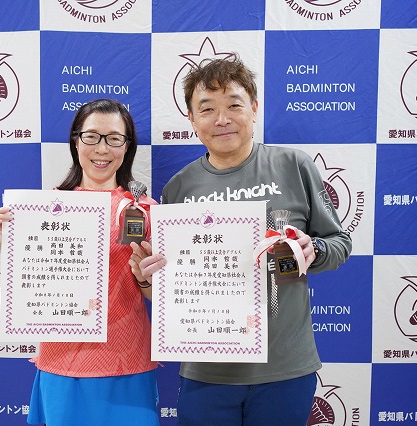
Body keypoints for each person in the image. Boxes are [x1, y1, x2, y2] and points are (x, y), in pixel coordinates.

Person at [131, 55, 352, 425]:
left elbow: (339, 243)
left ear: (254, 108)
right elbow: (169, 289)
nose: (222, 119)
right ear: (191, 119)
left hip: (284, 367)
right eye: (207, 109)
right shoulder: (178, 188)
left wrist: (314, 249)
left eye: (234, 105)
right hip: (206, 369)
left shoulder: (294, 166)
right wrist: (147, 278)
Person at [0, 99, 159, 426]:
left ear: (127, 146)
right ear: (76, 141)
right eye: (91, 136)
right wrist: (8, 246)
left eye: (114, 138)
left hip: (126, 361)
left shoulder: (145, 210)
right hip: (61, 362)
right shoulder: (43, 208)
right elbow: (30, 288)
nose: (102, 149)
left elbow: (160, 297)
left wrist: (145, 278)